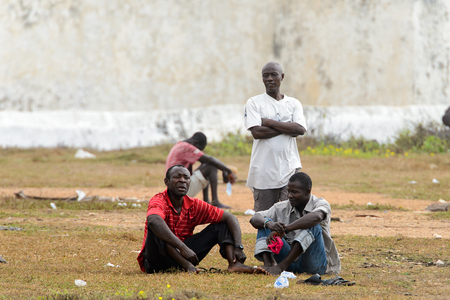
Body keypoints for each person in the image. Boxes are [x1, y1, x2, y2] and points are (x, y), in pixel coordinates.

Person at [137, 165, 261, 274]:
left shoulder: (194, 204)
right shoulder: (159, 200)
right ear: (167, 182)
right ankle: (187, 266)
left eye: (186, 177)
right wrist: (183, 249)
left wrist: (238, 247)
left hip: (183, 256)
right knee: (156, 226)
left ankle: (234, 264)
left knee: (221, 224)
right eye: (177, 177)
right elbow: (154, 221)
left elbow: (231, 218)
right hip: (156, 262)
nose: (182, 180)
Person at [249, 172, 341, 276]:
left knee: (312, 224)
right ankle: (268, 264)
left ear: (307, 192)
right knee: (264, 222)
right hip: (290, 263)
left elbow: (317, 217)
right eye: (288, 191)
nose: (289, 196)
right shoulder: (282, 207)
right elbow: (255, 217)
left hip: (314, 265)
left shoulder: (320, 203)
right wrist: (269, 224)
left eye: (294, 192)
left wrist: (285, 229)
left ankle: (280, 267)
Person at [244, 62, 307, 212]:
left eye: (274, 75)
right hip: (263, 172)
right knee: (266, 218)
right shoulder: (254, 103)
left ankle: (288, 237)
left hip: (289, 169)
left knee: (292, 214)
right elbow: (257, 133)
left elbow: (300, 129)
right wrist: (288, 126)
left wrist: (268, 122)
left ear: (282, 77)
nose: (270, 79)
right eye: (265, 76)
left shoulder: (293, 103)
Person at [166, 132, 236, 209]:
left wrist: (224, 170)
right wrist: (228, 171)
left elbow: (205, 162)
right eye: (199, 149)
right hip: (180, 191)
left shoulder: (180, 145)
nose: (198, 150)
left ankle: (206, 201)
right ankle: (215, 202)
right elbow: (210, 160)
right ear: (196, 143)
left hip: (175, 189)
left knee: (207, 166)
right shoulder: (187, 147)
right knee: (211, 167)